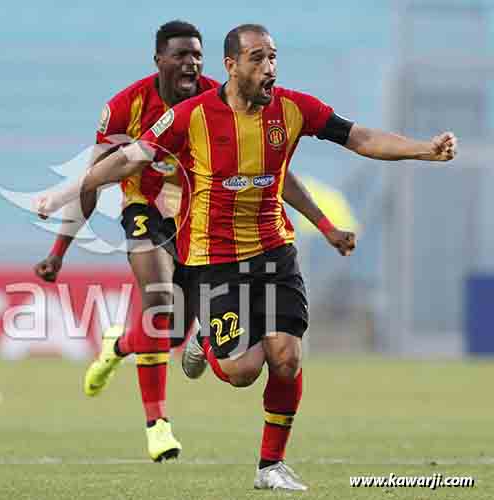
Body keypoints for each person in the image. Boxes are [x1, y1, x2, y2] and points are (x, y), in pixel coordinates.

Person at [39, 23, 455, 490]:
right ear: (232, 66)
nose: (269, 68)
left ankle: (269, 467)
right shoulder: (191, 116)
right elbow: (131, 157)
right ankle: (206, 345)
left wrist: (422, 149)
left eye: (273, 57)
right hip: (214, 259)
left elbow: (358, 137)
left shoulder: (294, 109)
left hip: (275, 252)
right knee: (241, 371)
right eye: (257, 58)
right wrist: (71, 188)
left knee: (286, 356)